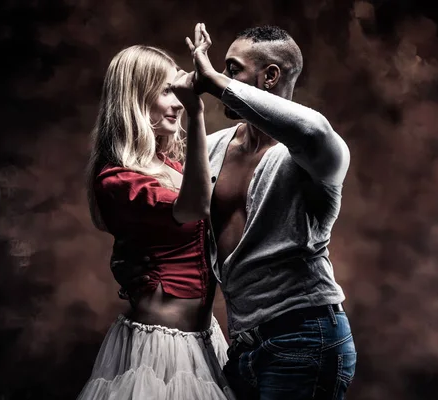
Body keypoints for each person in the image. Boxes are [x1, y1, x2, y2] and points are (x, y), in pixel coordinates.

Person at [115, 23, 357, 399]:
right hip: (242, 345)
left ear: (270, 76)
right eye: (221, 70)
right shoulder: (213, 148)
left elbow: (312, 128)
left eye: (232, 68)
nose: (218, 77)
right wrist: (137, 255)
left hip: (306, 335)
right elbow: (171, 207)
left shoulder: (316, 154)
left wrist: (212, 80)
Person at [77, 36, 236, 400]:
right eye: (167, 91)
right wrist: (197, 113)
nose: (177, 102)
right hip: (160, 351)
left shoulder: (170, 166)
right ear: (136, 98)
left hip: (205, 339)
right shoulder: (118, 179)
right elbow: (195, 208)